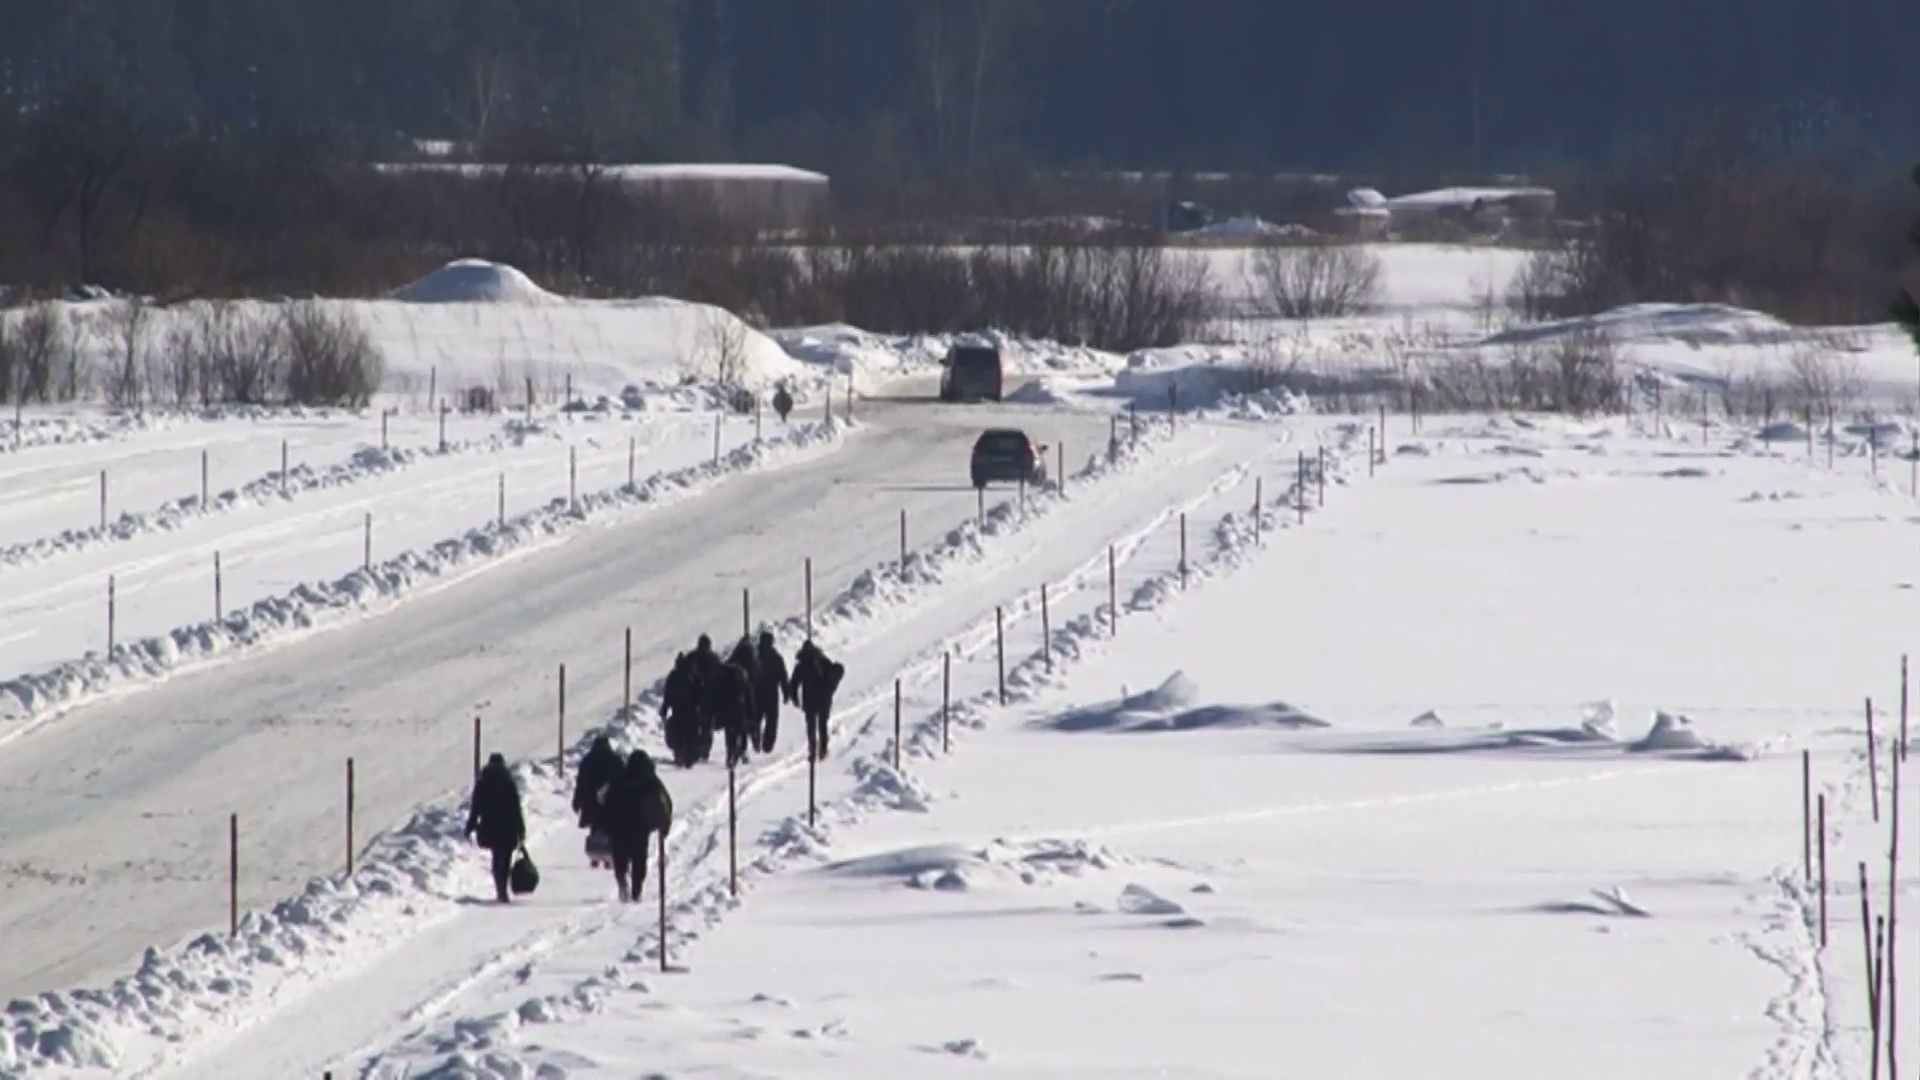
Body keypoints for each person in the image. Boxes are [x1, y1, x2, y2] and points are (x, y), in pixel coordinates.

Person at [600, 749, 674, 903]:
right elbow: (664, 803)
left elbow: (607, 801)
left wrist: (605, 825)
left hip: (619, 825)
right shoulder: (651, 780)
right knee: (639, 858)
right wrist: (664, 825)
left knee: (620, 855)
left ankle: (621, 878)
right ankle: (636, 889)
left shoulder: (620, 778)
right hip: (641, 826)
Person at [464, 752, 526, 904]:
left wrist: (470, 826)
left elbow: (476, 807)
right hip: (508, 826)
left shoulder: (483, 782)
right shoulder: (508, 782)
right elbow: (516, 808)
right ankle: (503, 887)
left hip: (490, 826)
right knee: (505, 858)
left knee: (496, 856)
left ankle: (500, 887)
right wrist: (521, 828)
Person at [789, 639, 845, 763]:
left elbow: (794, 683)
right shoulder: (823, 661)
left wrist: (794, 698)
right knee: (822, 726)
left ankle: (813, 750)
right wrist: (830, 690)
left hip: (809, 700)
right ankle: (823, 750)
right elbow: (833, 675)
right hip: (824, 699)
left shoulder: (801, 665)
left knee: (811, 727)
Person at [573, 735, 622, 867]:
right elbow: (623, 781)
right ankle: (608, 855)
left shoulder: (588, 761)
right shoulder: (615, 760)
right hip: (611, 803)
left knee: (595, 826)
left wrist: (577, 801)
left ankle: (594, 853)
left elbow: (581, 783)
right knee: (610, 827)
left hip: (591, 803)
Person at [753, 630, 790, 753]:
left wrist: (786, 691)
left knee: (757, 718)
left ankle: (757, 739)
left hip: (758, 692)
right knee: (771, 720)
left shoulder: (755, 655)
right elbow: (782, 676)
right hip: (770, 693)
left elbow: (782, 676)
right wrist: (786, 692)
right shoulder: (775, 657)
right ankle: (766, 743)